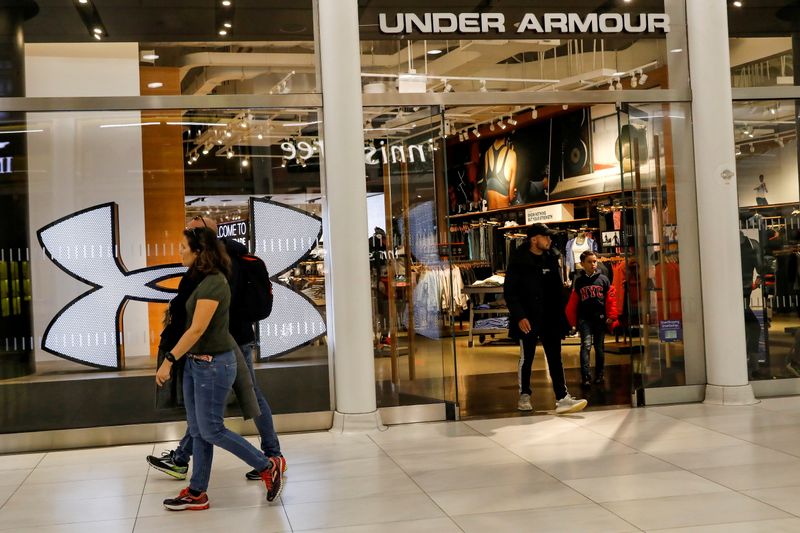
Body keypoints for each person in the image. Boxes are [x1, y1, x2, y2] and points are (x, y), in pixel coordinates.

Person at [148, 216, 286, 483]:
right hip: (223, 342)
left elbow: (205, 316)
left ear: (203, 240)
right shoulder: (219, 263)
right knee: (210, 415)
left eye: (190, 232)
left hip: (224, 344)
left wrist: (172, 355)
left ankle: (271, 458)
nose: (184, 239)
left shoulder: (218, 269)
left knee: (220, 414)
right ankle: (185, 463)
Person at [504, 223, 588, 414]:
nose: (550, 240)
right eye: (546, 237)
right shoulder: (518, 260)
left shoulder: (551, 258)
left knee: (555, 357)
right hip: (528, 318)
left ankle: (562, 397)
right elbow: (510, 292)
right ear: (534, 239)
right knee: (527, 357)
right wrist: (519, 316)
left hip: (550, 317)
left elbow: (557, 290)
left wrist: (563, 318)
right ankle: (524, 395)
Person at [566, 251, 618, 388]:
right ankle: (586, 376)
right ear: (582, 264)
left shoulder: (604, 279)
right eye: (589, 262)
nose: (593, 264)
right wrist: (572, 322)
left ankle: (600, 375)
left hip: (600, 319)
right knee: (586, 346)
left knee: (599, 348)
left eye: (594, 261)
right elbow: (574, 302)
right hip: (584, 319)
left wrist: (611, 317)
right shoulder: (579, 281)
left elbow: (611, 299)